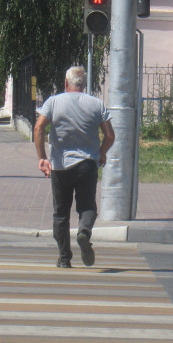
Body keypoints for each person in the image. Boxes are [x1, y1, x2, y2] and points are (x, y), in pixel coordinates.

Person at [34, 66, 115, 268]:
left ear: (65, 83)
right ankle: (84, 232)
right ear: (84, 85)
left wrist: (42, 157)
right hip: (87, 165)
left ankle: (64, 258)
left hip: (60, 167)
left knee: (60, 213)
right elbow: (110, 135)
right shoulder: (97, 104)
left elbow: (38, 128)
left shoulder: (53, 102)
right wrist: (101, 153)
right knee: (87, 207)